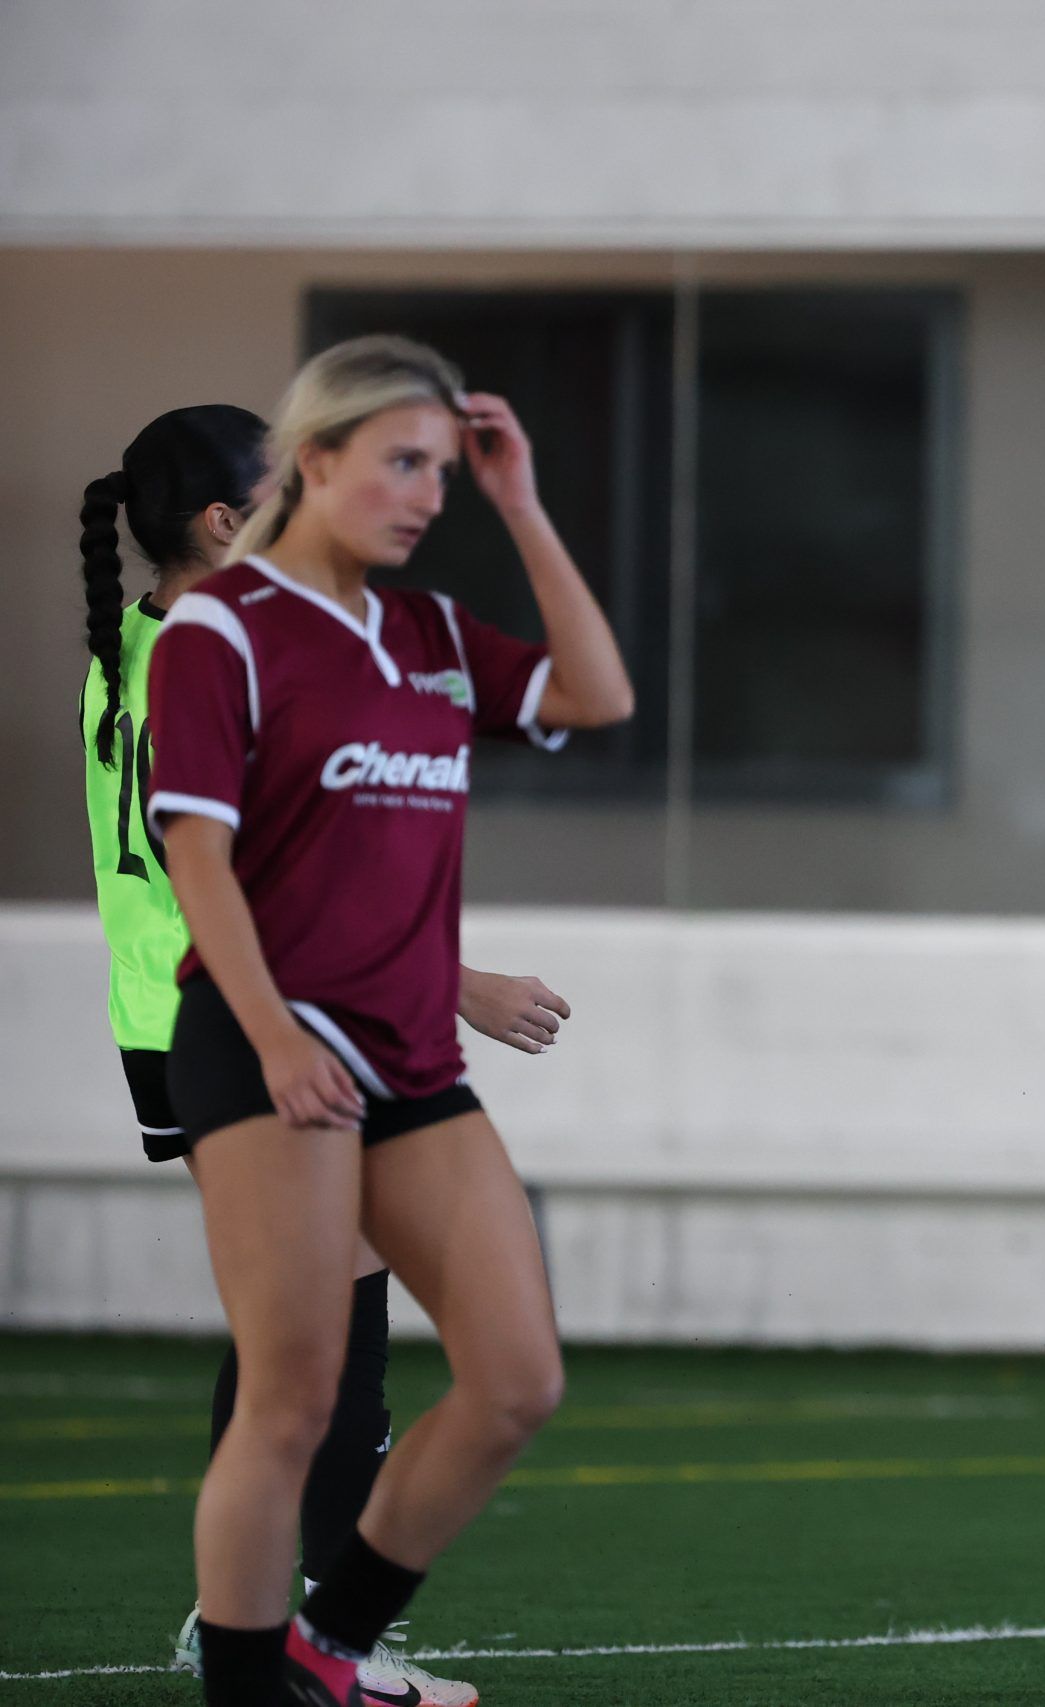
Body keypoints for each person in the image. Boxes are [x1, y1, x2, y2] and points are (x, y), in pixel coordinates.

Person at [146, 335, 632, 1707]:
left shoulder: (428, 634)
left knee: (517, 1379)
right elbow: (197, 858)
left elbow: (597, 694)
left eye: (441, 471)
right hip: (266, 1048)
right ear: (315, 460)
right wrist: (276, 1035)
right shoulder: (221, 627)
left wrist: (521, 502)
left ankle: (329, 1646)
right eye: (401, 464)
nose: (426, 495)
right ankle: (251, 1687)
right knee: (292, 1400)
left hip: (413, 1060)